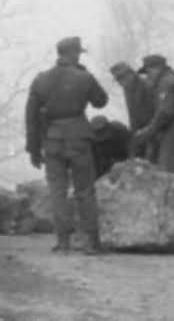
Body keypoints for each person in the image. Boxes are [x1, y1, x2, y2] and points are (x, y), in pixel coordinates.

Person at [25, 36, 109, 254]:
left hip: (52, 139)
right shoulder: (83, 77)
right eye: (78, 53)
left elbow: (31, 117)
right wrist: (84, 74)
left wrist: (33, 149)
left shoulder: (40, 79)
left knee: (57, 192)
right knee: (85, 191)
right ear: (73, 54)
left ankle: (63, 242)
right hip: (78, 137)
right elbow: (101, 101)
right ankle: (91, 241)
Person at [133, 54, 174, 179]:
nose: (147, 76)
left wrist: (148, 131)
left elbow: (165, 112)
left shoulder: (166, 83)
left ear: (156, 68)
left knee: (169, 171)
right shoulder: (173, 80)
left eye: (148, 72)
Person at [110, 61, 155, 159]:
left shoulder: (147, 85)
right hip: (139, 129)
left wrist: (148, 131)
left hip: (153, 128)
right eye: (118, 80)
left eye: (121, 78)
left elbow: (156, 112)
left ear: (131, 74)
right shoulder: (128, 89)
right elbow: (132, 115)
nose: (120, 83)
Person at [90, 115, 132, 179]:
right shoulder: (90, 141)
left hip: (123, 160)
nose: (102, 138)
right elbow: (94, 164)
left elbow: (131, 151)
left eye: (102, 132)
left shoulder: (120, 131)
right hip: (105, 167)